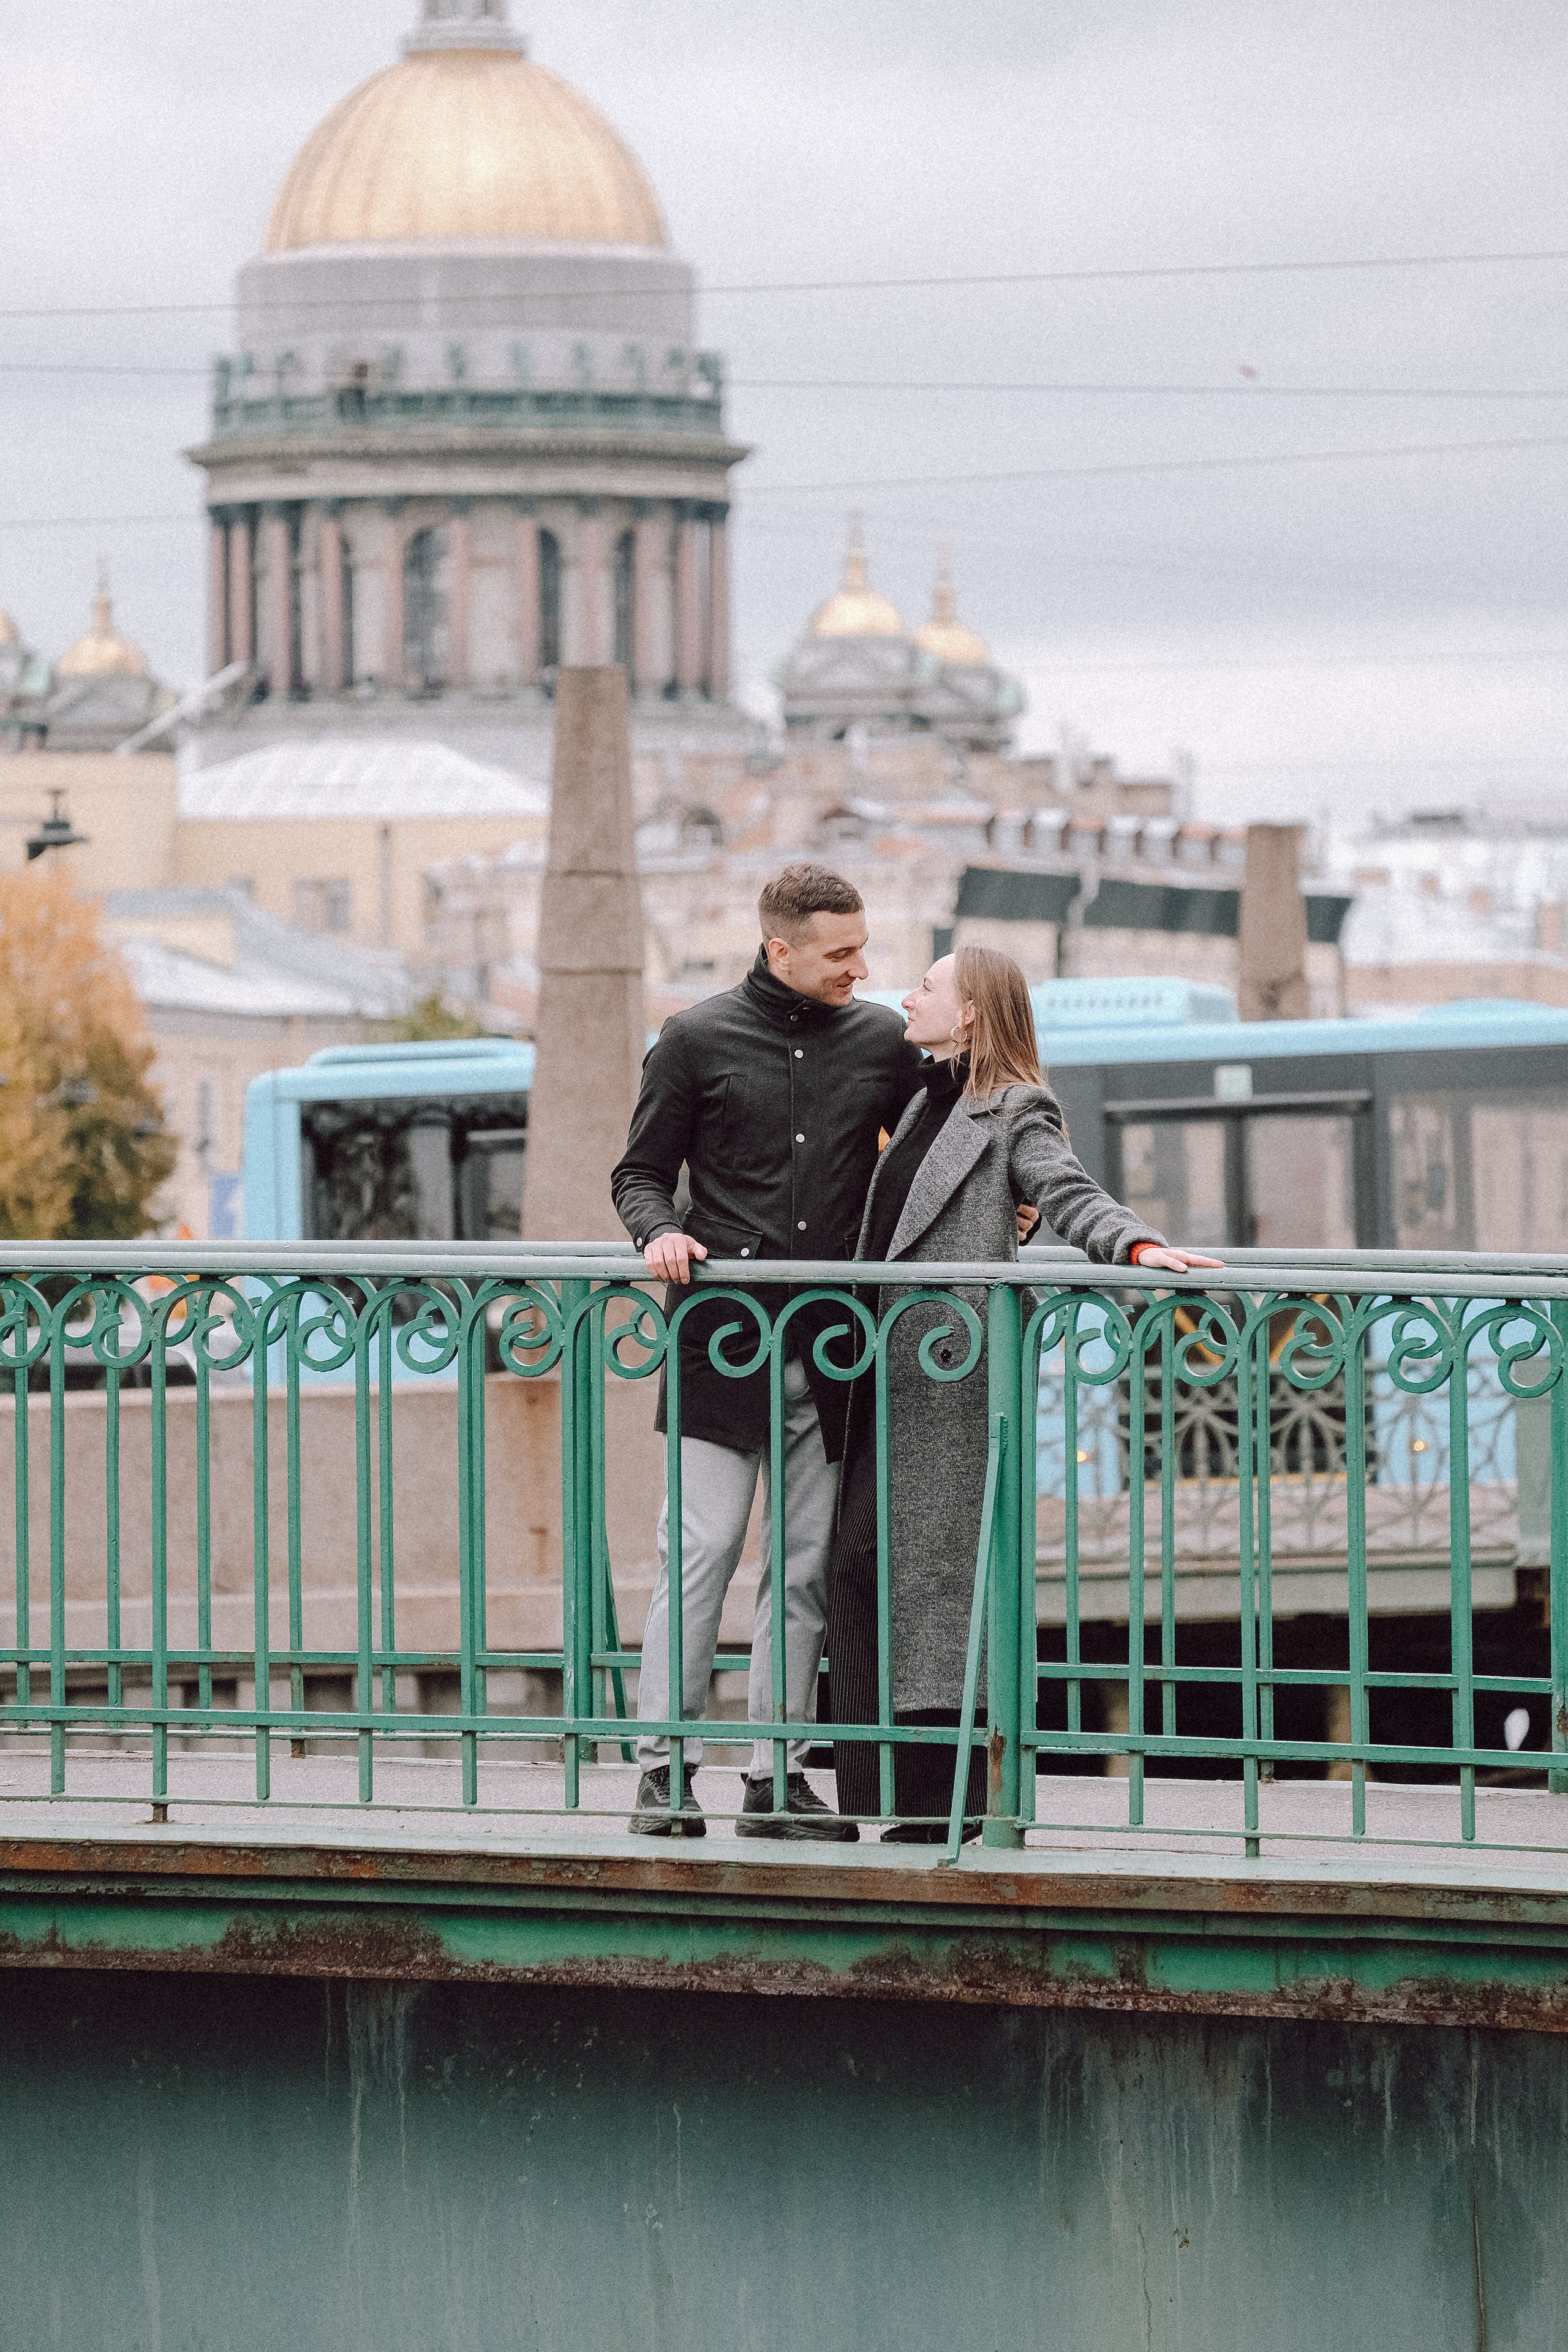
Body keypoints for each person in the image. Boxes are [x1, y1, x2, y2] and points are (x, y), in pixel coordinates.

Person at [827, 943, 1223, 1842]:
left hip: (952, 1377)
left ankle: (945, 1805)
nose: (908, 997)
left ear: (971, 1011)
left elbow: (1066, 1191)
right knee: (867, 1572)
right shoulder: (923, 1099)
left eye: (928, 987)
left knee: (934, 1588)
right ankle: (898, 1795)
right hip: (889, 1374)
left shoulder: (1013, 1107)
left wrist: (1136, 1246)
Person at [611, 862, 926, 1839]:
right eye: (841, 953)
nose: (859, 968)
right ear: (780, 949)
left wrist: (1019, 1205)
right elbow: (639, 1173)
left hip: (833, 1346)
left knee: (802, 1568)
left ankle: (775, 1781)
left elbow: (942, 1143)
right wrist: (659, 1230)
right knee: (698, 1554)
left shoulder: (882, 1042)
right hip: (719, 1340)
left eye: (862, 949)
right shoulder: (694, 1039)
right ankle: (662, 1774)